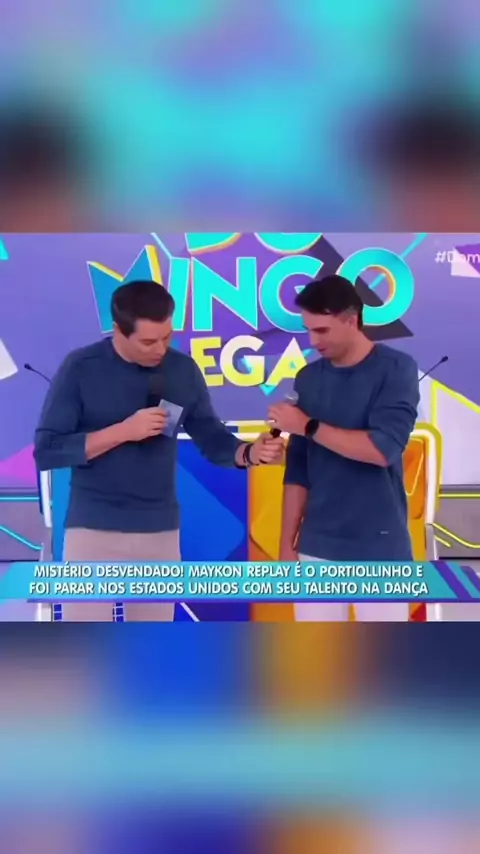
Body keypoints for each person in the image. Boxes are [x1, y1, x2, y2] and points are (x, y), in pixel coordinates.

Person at [34, 280, 284, 622]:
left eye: (167, 337)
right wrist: (123, 432)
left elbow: (212, 438)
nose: (160, 349)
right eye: (148, 342)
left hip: (159, 531)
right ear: (118, 331)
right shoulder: (81, 368)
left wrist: (250, 453)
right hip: (93, 528)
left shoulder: (182, 371)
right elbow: (48, 450)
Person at [268, 274, 419, 622]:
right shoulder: (307, 378)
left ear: (351, 320)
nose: (312, 341)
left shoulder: (397, 369)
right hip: (316, 546)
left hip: (380, 548)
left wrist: (307, 426)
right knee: (317, 654)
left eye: (321, 330)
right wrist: (286, 545)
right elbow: (298, 470)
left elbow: (382, 450)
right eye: (308, 330)